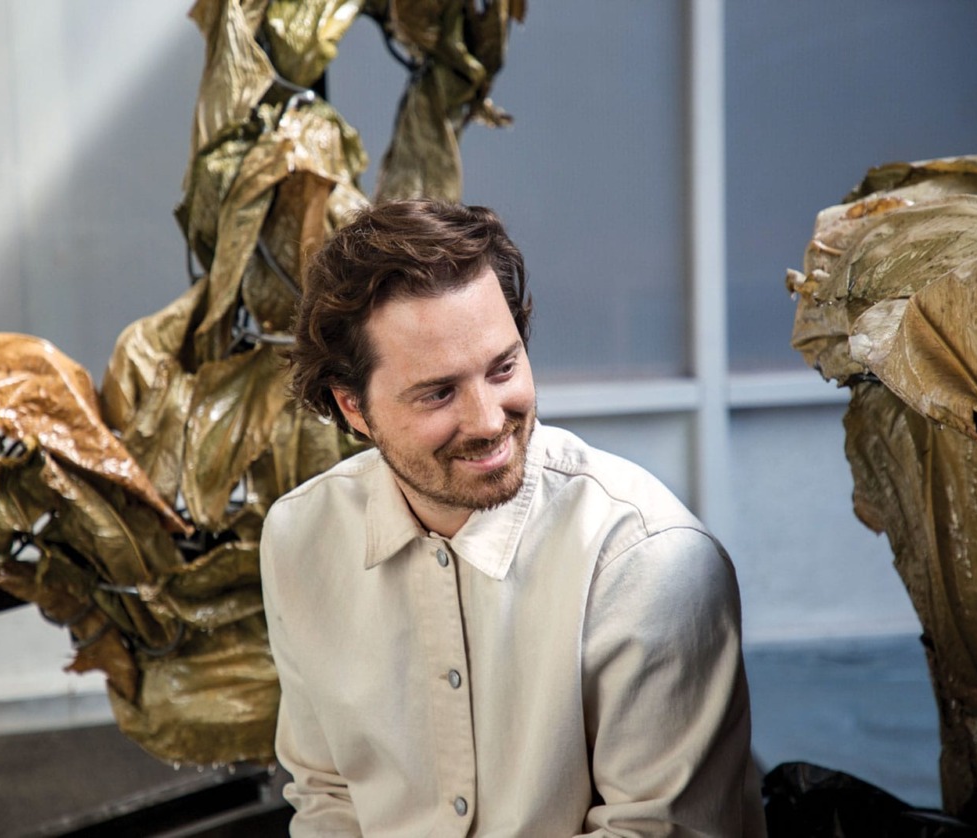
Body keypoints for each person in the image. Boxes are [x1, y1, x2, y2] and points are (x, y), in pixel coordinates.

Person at [261, 199, 765, 836]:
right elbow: (327, 795)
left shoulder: (650, 561)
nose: (489, 420)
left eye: (503, 367)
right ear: (353, 407)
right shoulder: (299, 538)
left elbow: (658, 832)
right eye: (439, 392)